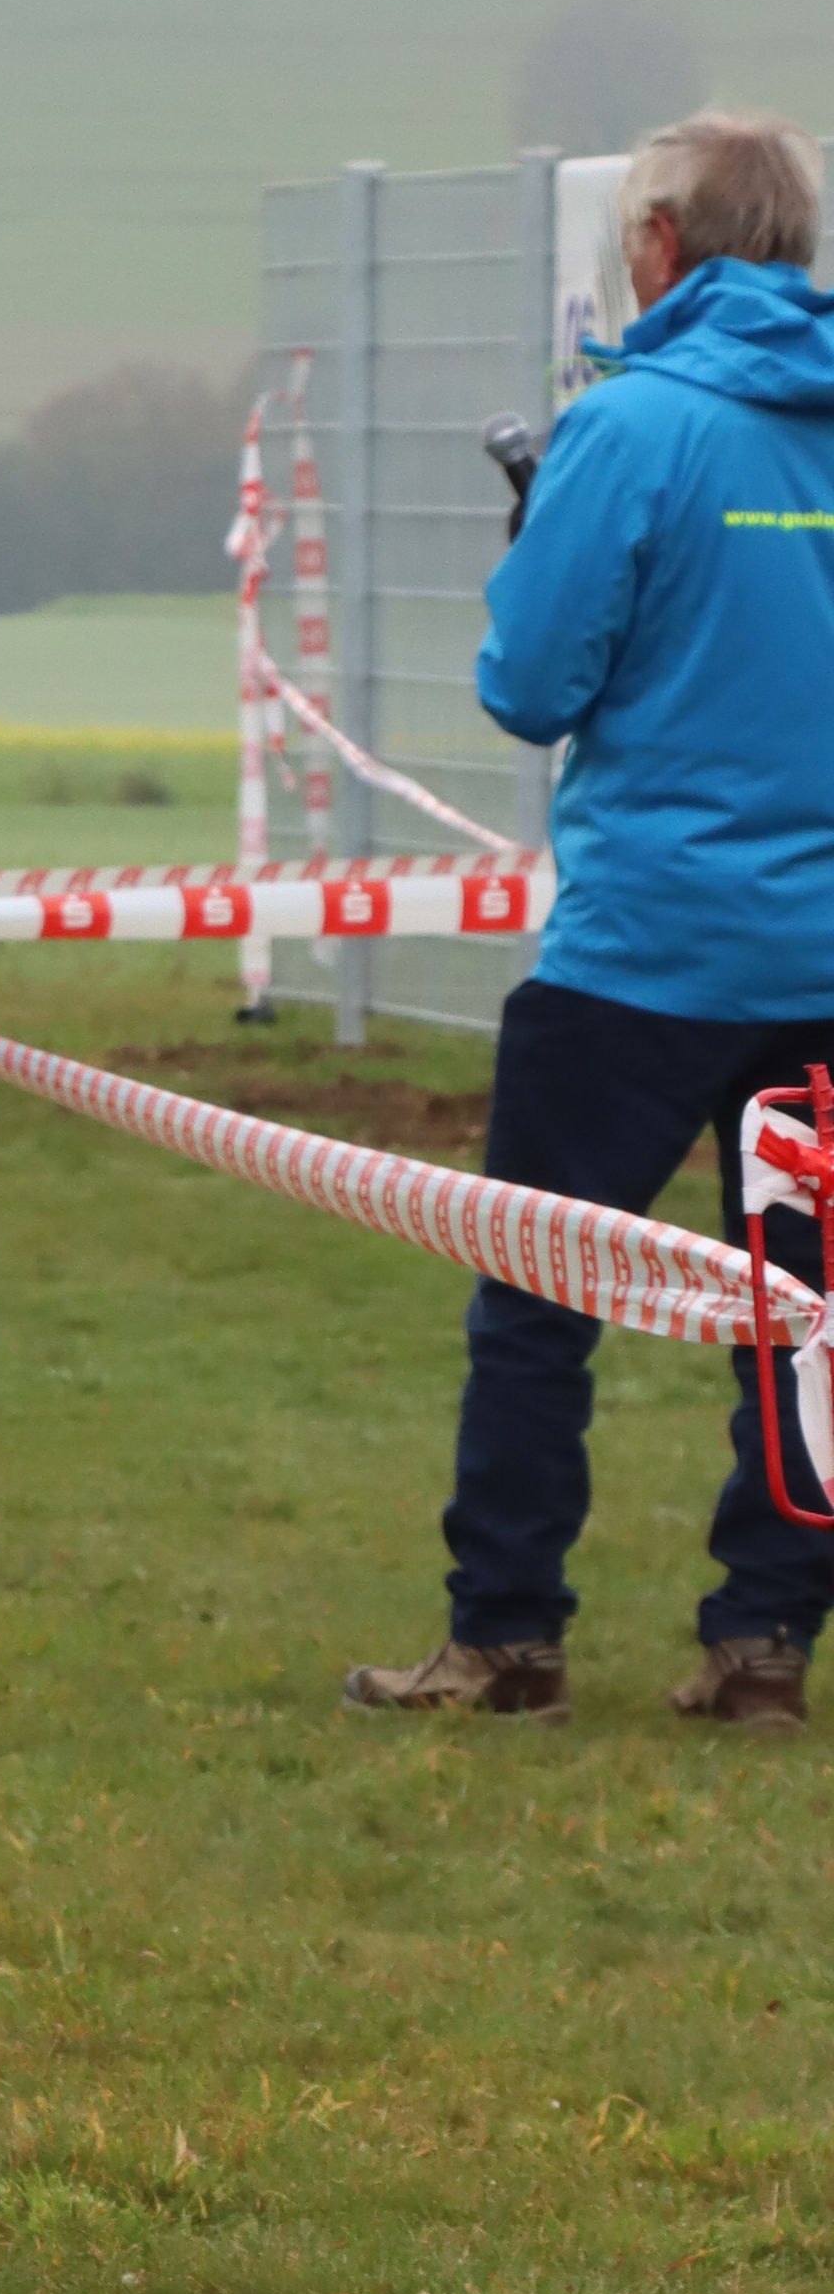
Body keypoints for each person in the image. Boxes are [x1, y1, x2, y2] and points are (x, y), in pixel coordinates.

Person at [344, 110, 834, 1729]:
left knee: (537, 1295)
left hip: (644, 954)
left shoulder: (629, 426)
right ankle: (766, 1646)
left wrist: (540, 548)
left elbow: (530, 684)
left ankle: (508, 1637)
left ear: (661, 247)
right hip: (822, 958)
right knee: (807, 1319)